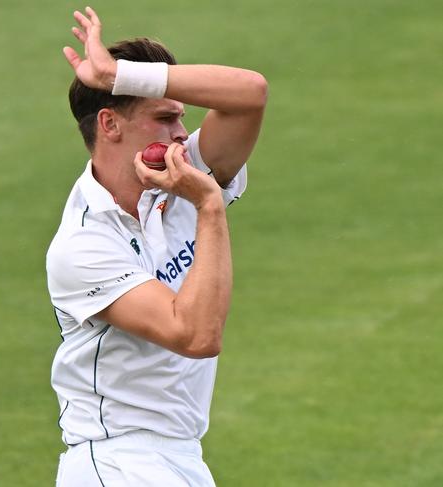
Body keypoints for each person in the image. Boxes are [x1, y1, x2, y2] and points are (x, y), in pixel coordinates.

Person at [46, 6, 267, 486]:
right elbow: (195, 336)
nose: (182, 134)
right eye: (165, 119)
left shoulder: (178, 175)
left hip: (179, 457)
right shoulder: (84, 245)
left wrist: (119, 74)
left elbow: (251, 95)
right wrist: (209, 206)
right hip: (119, 461)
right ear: (110, 125)